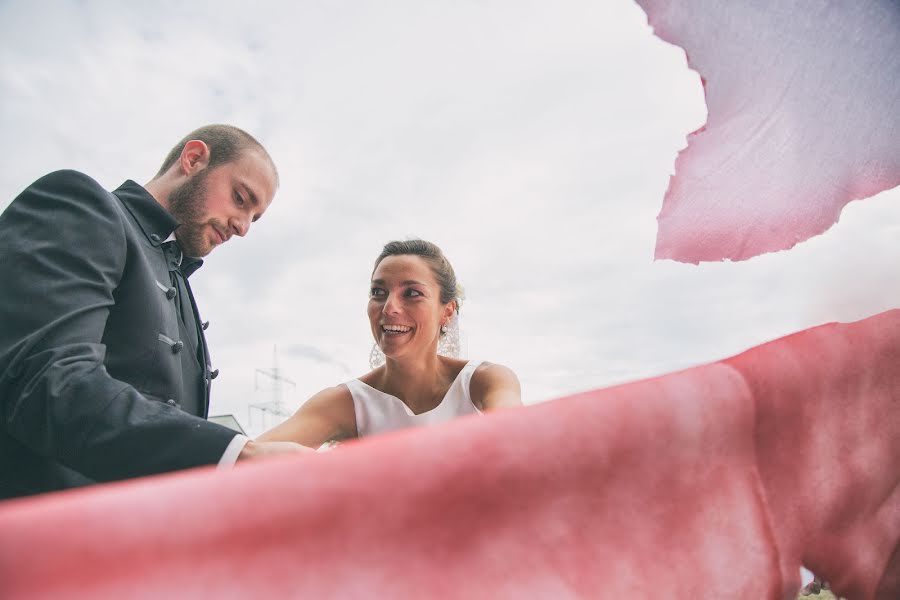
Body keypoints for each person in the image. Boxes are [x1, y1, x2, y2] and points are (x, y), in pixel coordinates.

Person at [0, 124, 306, 499]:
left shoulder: (179, 279)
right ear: (193, 159)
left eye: (254, 218)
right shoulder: (80, 205)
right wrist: (236, 455)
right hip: (35, 535)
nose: (242, 227)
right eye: (240, 199)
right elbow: (48, 381)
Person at [259, 239, 522, 448]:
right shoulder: (344, 402)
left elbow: (516, 437)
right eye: (378, 292)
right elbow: (247, 459)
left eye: (412, 294)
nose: (389, 308)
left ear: (448, 311)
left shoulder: (486, 382)